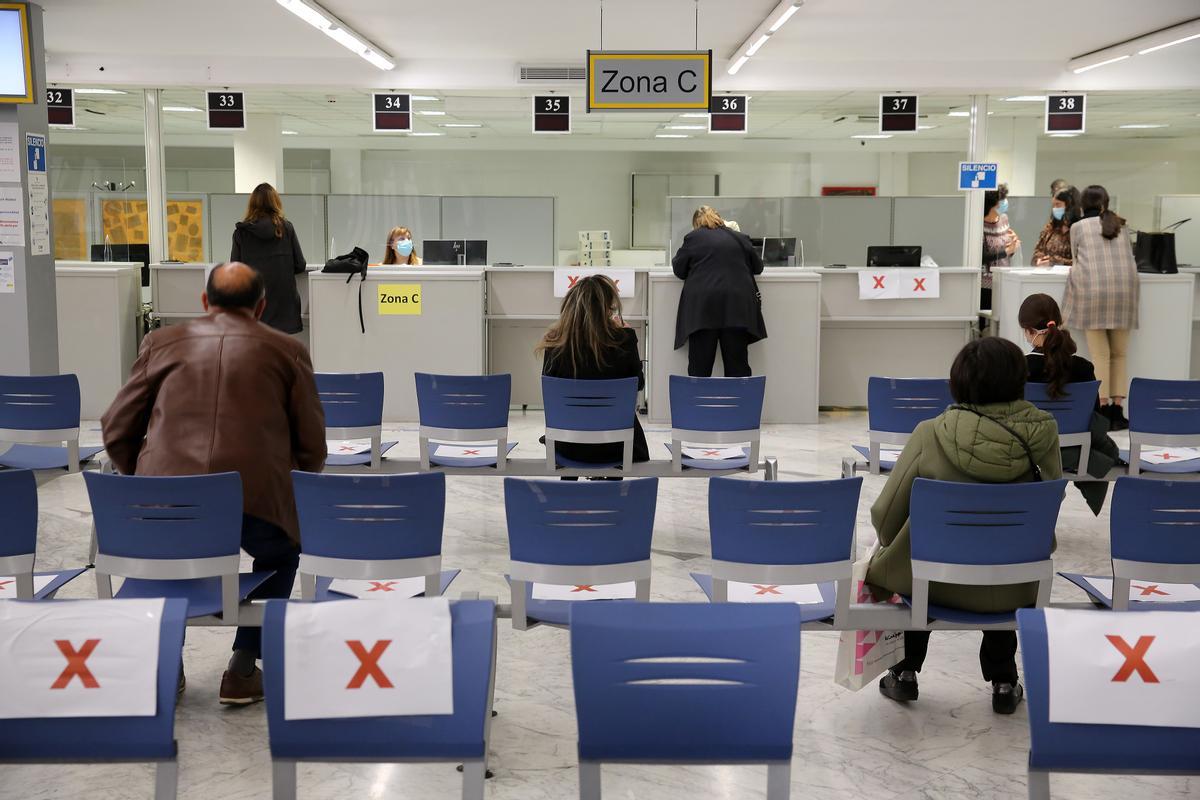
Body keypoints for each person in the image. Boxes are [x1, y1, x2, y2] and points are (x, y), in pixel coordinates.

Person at [101, 262, 327, 705]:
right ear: (261, 307)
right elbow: (312, 445)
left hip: (168, 502)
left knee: (172, 553)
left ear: (204, 302)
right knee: (283, 554)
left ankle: (170, 664)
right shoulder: (287, 350)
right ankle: (243, 666)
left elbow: (115, 429)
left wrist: (145, 484)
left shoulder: (159, 343)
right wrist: (289, 488)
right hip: (254, 501)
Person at [866, 337, 1062, 714]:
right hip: (1017, 582)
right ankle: (1004, 680)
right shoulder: (1045, 433)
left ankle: (905, 671)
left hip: (936, 584)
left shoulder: (929, 432)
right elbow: (1048, 507)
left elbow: (886, 516)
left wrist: (893, 541)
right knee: (1001, 551)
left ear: (957, 381)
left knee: (918, 548)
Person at [1019, 293, 1121, 514]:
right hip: (1075, 452)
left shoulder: (1021, 367)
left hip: (1029, 453)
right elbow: (1094, 416)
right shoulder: (1084, 367)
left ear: (1028, 331)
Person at [537, 274, 649, 467]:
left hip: (569, 444)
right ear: (607, 309)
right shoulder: (624, 338)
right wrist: (628, 337)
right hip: (618, 444)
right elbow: (638, 384)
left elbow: (551, 391)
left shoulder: (554, 342)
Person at [1063, 184, 1138, 430]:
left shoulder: (1077, 227)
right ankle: (1119, 410)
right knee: (1120, 354)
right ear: (1105, 204)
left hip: (1093, 293)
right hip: (1125, 293)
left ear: (1082, 206)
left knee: (1100, 356)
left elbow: (1075, 259)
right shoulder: (1121, 225)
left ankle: (1103, 410)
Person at [671, 205, 766, 378]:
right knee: (738, 367)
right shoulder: (740, 237)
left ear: (696, 224)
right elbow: (758, 267)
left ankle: (698, 405)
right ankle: (739, 404)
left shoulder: (693, 238)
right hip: (737, 308)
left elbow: (679, 269)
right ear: (719, 218)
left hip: (702, 310)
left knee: (699, 369)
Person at [230, 183, 307, 336]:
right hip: (285, 309)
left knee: (257, 356)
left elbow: (235, 271)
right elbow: (300, 265)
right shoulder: (286, 228)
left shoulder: (241, 233)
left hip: (254, 308)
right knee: (281, 355)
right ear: (275, 202)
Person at [980, 183, 1018, 314]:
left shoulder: (1004, 219)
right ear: (992, 205)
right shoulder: (978, 224)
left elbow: (1008, 250)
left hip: (1005, 280)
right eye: (1002, 200)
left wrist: (1013, 244)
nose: (1005, 202)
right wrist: (1006, 251)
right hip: (985, 285)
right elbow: (981, 256)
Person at [1032, 186, 1080, 266]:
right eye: (1053, 205)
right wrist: (1039, 260)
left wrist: (1055, 262)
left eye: (1058, 205)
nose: (1055, 209)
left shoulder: (1079, 230)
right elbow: (1037, 251)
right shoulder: (1050, 228)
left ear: (1070, 206)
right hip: (1047, 276)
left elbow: (1081, 262)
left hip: (1069, 277)